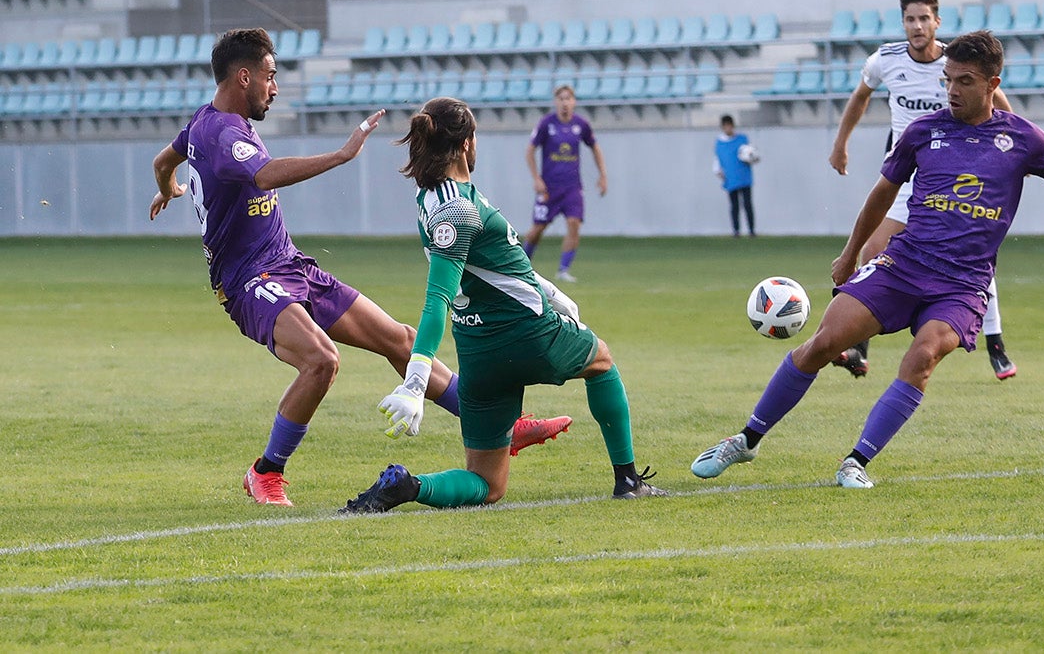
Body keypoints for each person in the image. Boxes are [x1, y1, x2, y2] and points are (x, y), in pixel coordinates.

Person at [692, 30, 1044, 490]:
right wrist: (850, 254)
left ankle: (856, 462)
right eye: (947, 79)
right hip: (904, 265)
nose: (952, 90)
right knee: (823, 343)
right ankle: (747, 440)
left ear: (991, 83)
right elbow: (879, 196)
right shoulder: (922, 132)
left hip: (961, 284)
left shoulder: (1023, 139)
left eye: (964, 81)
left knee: (924, 355)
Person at [149, 28, 570, 507]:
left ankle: (503, 428)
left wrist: (169, 185)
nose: (275, 87)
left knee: (402, 340)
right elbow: (263, 175)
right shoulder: (221, 131)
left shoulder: (207, 123)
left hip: (289, 265)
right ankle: (265, 472)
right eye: (269, 76)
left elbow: (166, 158)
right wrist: (341, 155)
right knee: (322, 360)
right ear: (243, 77)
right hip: (249, 281)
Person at [342, 96, 665, 513]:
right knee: (601, 361)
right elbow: (436, 298)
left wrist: (549, 290)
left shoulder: (432, 199)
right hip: (529, 333)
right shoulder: (457, 209)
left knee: (487, 485)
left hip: (478, 351)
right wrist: (416, 381)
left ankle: (408, 486)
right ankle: (627, 480)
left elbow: (492, 261)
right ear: (466, 144)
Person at [828, 0, 1018, 382]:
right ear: (904, 23)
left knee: (968, 255)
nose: (917, 26)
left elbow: (1000, 105)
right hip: (904, 173)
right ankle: (859, 349)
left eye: (924, 18)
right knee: (874, 250)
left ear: (937, 21)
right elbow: (860, 97)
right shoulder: (886, 60)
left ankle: (995, 343)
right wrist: (841, 144)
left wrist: (1014, 151)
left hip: (950, 177)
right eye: (910, 19)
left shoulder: (956, 64)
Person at [522, 84, 607, 283]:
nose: (565, 102)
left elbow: (595, 148)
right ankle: (521, 266)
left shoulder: (581, 125)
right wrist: (536, 178)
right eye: (561, 99)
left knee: (574, 223)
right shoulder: (546, 124)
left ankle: (563, 270)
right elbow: (529, 151)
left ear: (574, 101)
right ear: (556, 102)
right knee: (537, 230)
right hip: (549, 188)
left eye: (568, 98)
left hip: (572, 188)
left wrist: (603, 175)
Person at [713, 114, 757, 238]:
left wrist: (753, 159)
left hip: (744, 176)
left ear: (733, 126)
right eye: (725, 126)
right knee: (734, 206)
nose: (728, 129)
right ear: (722, 127)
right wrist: (718, 171)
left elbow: (751, 154)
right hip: (731, 178)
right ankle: (736, 230)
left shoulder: (742, 139)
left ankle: (751, 230)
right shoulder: (720, 143)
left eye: (730, 126)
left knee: (747, 204)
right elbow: (717, 159)